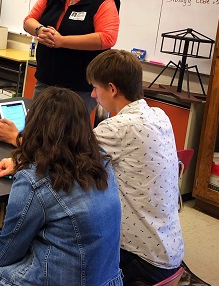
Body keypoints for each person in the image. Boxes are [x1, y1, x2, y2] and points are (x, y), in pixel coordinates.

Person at [0, 87, 123, 286]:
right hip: (106, 279)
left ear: (34, 125)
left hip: (55, 278)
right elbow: (61, 159)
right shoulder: (101, 162)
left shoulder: (35, 181)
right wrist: (22, 162)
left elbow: (10, 246)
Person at [87, 49, 184, 285]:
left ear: (112, 89)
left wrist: (18, 140)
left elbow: (62, 155)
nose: (92, 94)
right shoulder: (160, 116)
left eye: (95, 88)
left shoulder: (117, 128)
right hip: (170, 251)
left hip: (141, 261)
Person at [22, 0, 120, 112]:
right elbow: (28, 21)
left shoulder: (102, 1)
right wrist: (39, 30)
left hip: (80, 87)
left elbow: (107, 38)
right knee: (36, 127)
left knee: (68, 133)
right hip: (46, 79)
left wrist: (62, 41)